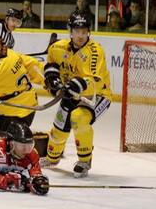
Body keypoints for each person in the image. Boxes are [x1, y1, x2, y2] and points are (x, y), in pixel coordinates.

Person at [42, 13, 112, 178]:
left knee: (78, 118)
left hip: (97, 95)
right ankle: (53, 157)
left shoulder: (94, 51)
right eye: (77, 31)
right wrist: (52, 79)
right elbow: (51, 63)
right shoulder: (58, 47)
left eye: (84, 31)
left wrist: (74, 84)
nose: (81, 35)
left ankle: (84, 160)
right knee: (59, 128)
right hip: (71, 94)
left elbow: (95, 80)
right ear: (70, 31)